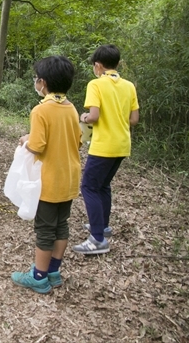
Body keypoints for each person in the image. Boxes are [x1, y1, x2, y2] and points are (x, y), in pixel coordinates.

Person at [10, 56, 81, 294]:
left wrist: (25, 140)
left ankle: (38, 277)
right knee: (61, 226)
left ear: (43, 82)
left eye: (36, 79)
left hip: (49, 180)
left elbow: (37, 145)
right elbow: (78, 141)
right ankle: (53, 271)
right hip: (70, 177)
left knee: (45, 229)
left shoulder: (41, 110)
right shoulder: (71, 108)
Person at [73, 44, 139, 255]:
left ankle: (97, 240)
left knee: (89, 187)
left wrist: (83, 117)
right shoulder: (129, 86)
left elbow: (93, 116)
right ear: (117, 64)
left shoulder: (96, 84)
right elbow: (134, 119)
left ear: (98, 66)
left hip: (104, 145)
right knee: (103, 186)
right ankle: (103, 226)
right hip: (122, 144)